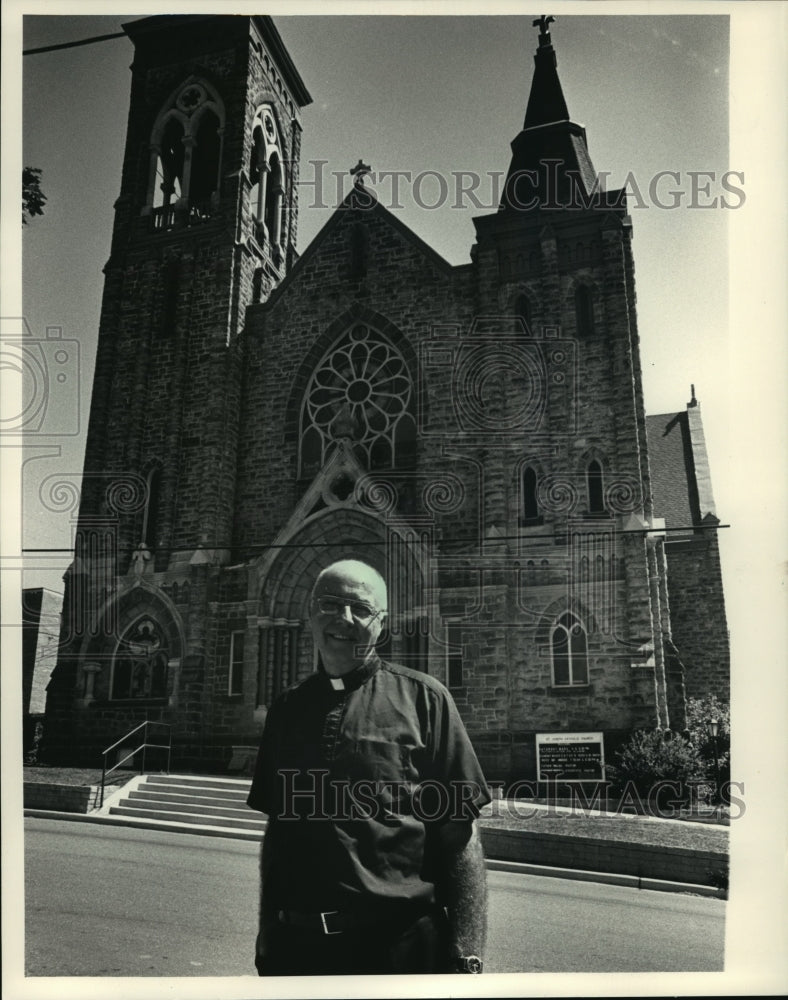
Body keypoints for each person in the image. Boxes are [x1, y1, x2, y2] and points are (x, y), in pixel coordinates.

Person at [247, 558, 491, 976]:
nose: (343, 618)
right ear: (310, 612)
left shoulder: (425, 701)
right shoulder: (286, 710)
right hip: (299, 947)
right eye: (329, 604)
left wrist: (466, 955)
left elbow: (460, 837)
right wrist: (267, 927)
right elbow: (277, 833)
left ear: (382, 623)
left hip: (399, 949)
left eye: (360, 608)